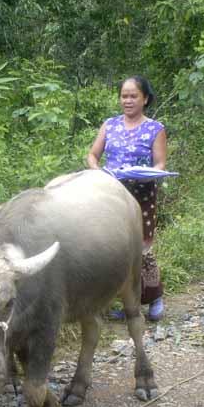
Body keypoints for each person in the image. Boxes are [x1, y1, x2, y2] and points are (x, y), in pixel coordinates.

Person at [87, 75, 168, 321]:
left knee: (141, 247)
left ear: (145, 99)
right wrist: (97, 171)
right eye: (124, 96)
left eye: (133, 96)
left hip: (142, 195)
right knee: (113, 248)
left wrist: (149, 174)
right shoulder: (109, 125)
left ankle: (154, 297)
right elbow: (92, 155)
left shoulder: (155, 128)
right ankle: (123, 303)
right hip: (110, 195)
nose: (128, 100)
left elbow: (160, 162)